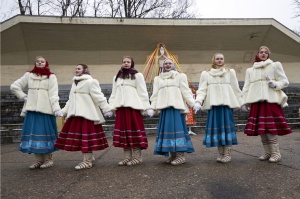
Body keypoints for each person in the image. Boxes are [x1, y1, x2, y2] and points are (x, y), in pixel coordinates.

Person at [54, 64, 113, 170]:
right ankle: (89, 158)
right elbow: (70, 100)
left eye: (79, 68)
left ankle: (87, 161)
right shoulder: (74, 83)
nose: (76, 70)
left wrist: (106, 109)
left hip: (87, 115)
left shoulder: (91, 82)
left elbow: (99, 96)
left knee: (86, 138)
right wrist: (63, 111)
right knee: (81, 138)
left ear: (85, 70)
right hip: (75, 115)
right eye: (76, 69)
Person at [10, 56, 62, 169]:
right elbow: (14, 86)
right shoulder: (28, 75)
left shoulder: (51, 77)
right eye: (38, 61)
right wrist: (24, 97)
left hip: (46, 110)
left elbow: (54, 94)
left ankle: (48, 159)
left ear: (46, 64)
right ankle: (38, 160)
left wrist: (56, 108)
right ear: (35, 63)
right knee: (33, 134)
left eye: (42, 61)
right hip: (31, 109)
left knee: (45, 135)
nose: (40, 63)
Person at [242, 46, 292, 163]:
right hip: (256, 102)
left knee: (270, 128)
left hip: (270, 101)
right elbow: (246, 87)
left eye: (265, 52)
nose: (263, 54)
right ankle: (268, 152)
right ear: (258, 54)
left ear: (268, 55)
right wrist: (244, 102)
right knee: (262, 130)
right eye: (261, 52)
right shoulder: (250, 70)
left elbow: (285, 81)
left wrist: (274, 83)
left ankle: (276, 153)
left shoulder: (275, 65)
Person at [195, 53, 244, 163]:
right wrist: (198, 101)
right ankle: (221, 154)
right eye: (217, 59)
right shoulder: (206, 74)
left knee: (226, 128)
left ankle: (227, 154)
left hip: (226, 105)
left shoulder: (229, 72)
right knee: (217, 130)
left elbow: (236, 88)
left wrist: (242, 102)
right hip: (213, 106)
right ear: (214, 60)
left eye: (221, 59)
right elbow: (202, 89)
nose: (220, 60)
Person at [109, 56, 154, 166]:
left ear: (132, 63)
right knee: (124, 132)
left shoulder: (137, 75)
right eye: (124, 62)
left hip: (133, 108)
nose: (126, 63)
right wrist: (110, 107)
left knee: (134, 130)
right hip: (121, 109)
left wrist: (147, 106)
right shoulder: (117, 77)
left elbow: (142, 92)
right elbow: (113, 94)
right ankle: (127, 157)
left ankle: (137, 157)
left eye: (128, 62)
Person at [150, 58, 196, 165]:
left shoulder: (180, 76)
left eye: (169, 63)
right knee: (168, 131)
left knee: (177, 130)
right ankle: (173, 155)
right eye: (165, 63)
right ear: (163, 66)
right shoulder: (158, 79)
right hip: (165, 110)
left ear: (173, 65)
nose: (167, 65)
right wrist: (152, 107)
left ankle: (181, 156)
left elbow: (186, 91)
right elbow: (155, 94)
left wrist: (193, 104)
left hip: (176, 109)